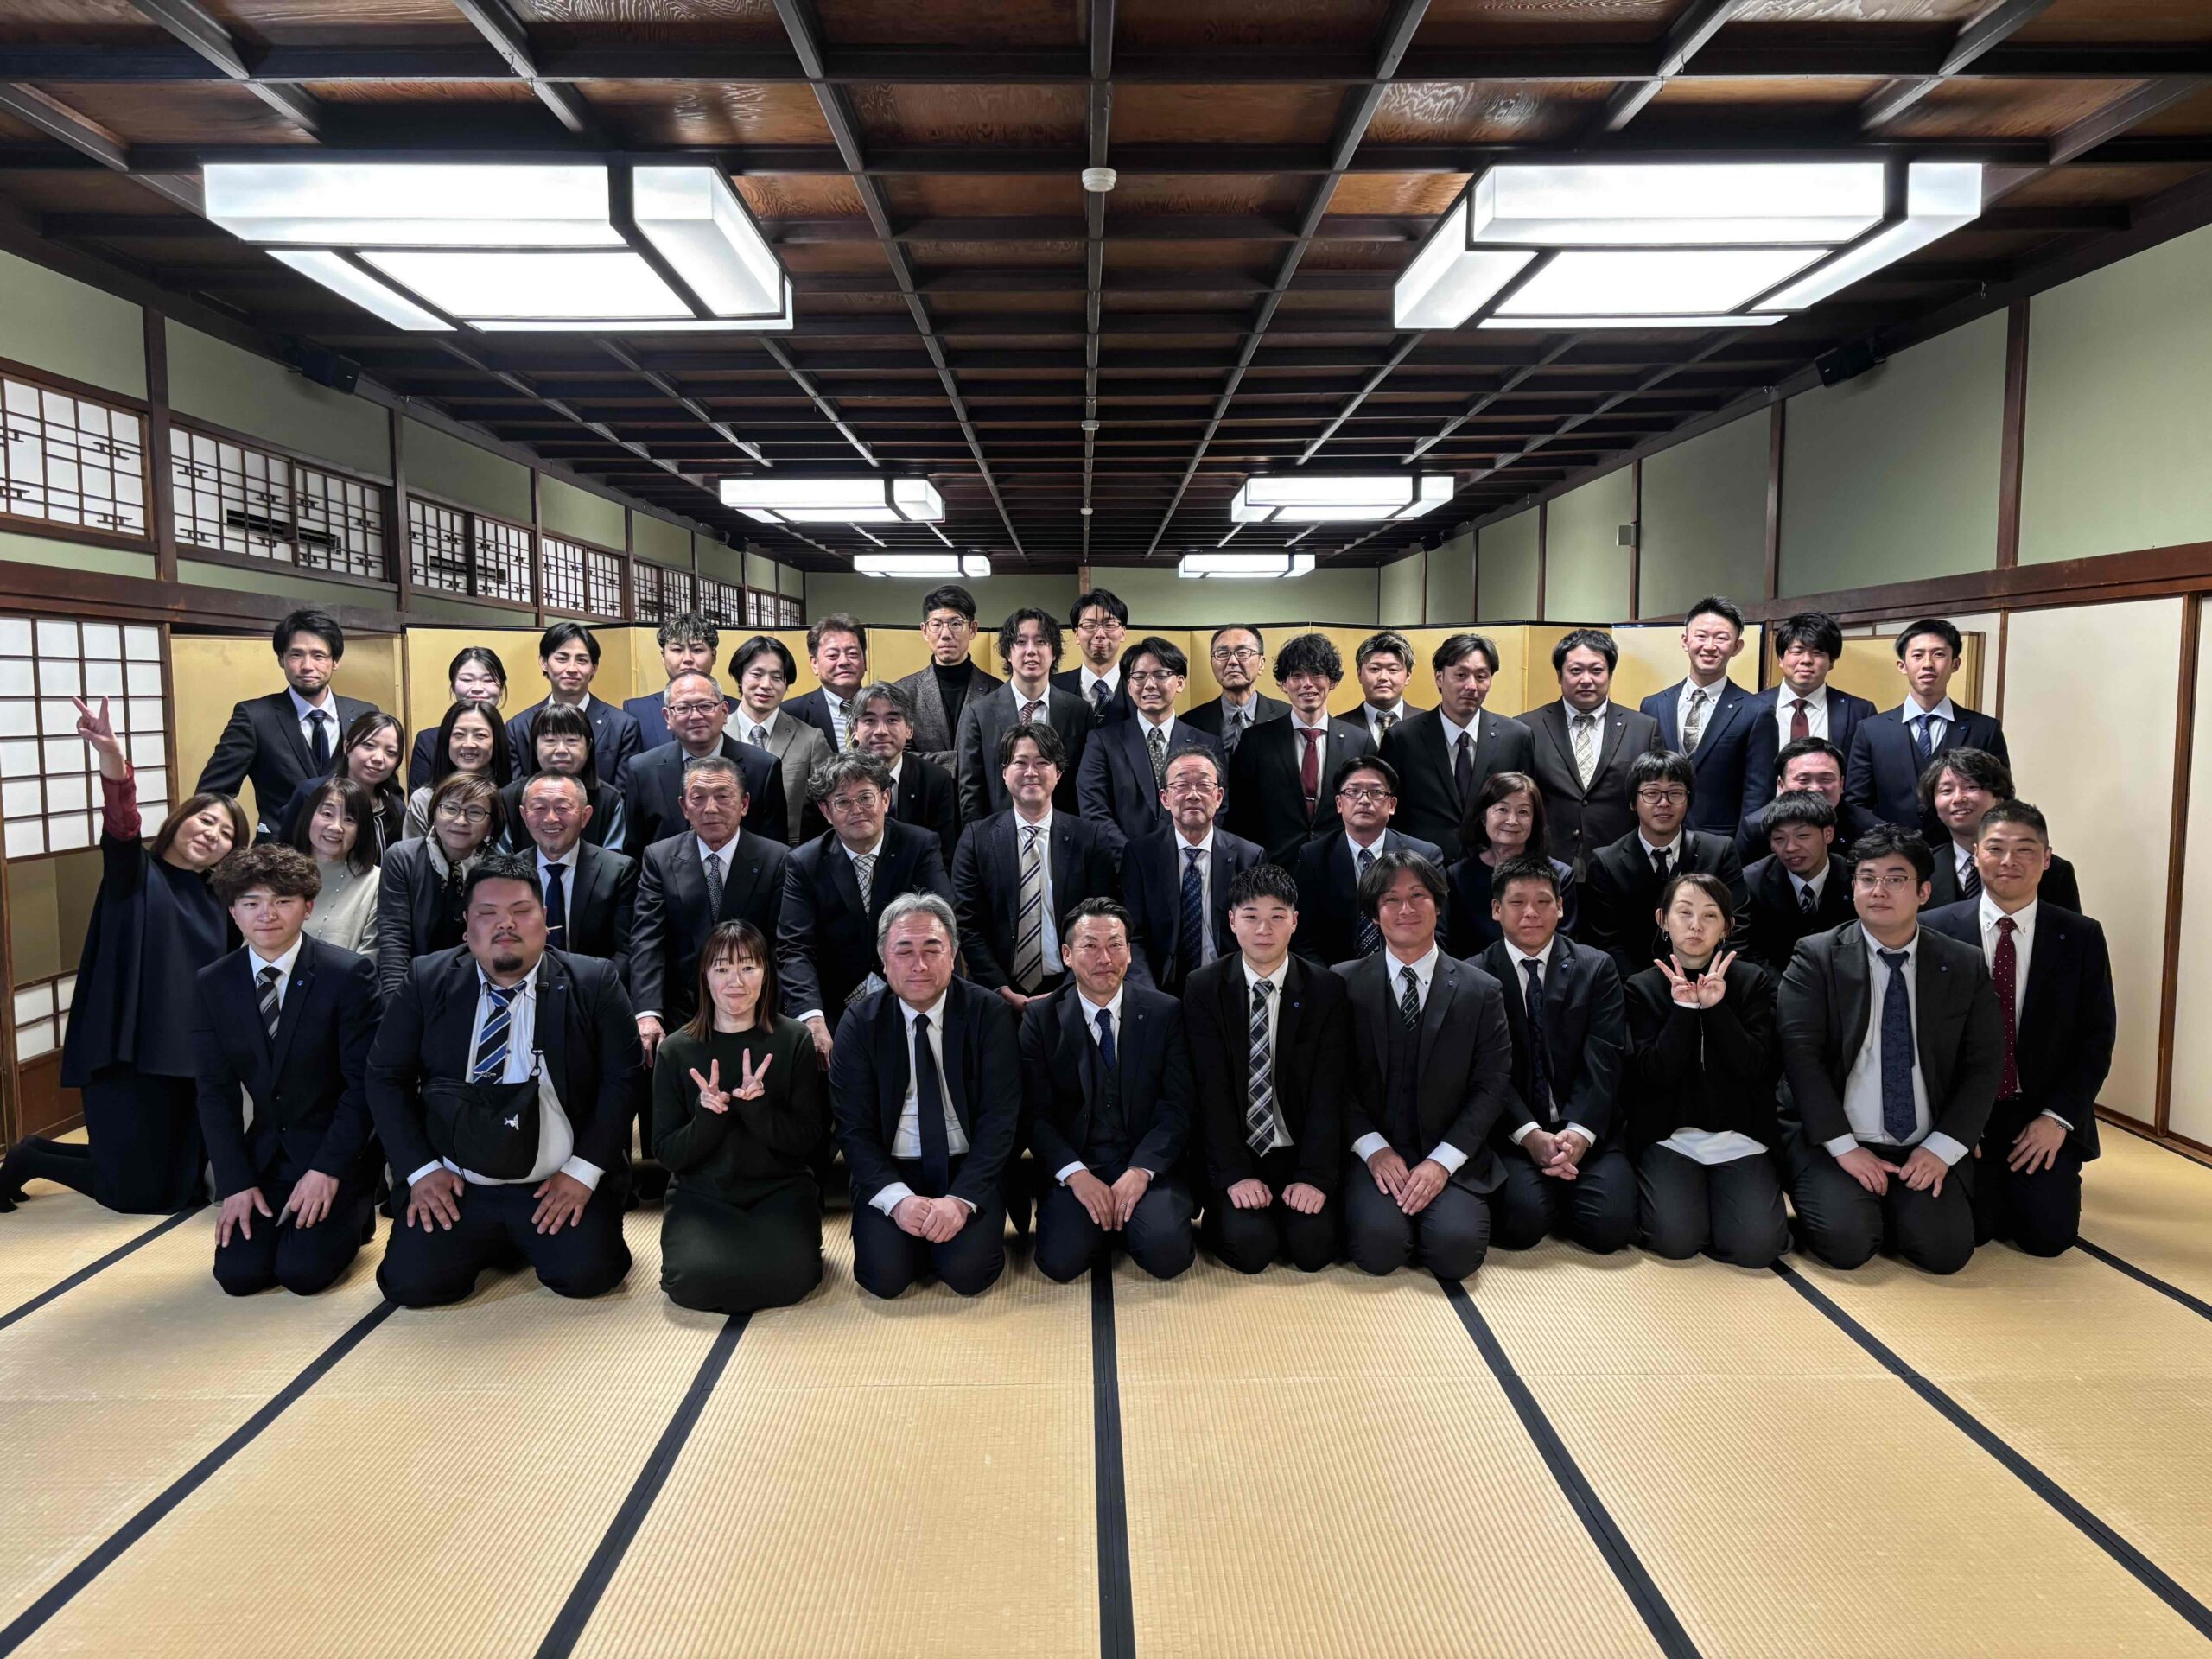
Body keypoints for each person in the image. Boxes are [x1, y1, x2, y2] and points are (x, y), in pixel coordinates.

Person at [1, 696, 247, 1215]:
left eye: (227, 834)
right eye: (205, 821)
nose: (212, 835)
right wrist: (113, 757)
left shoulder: (219, 900)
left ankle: (37, 1152)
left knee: (178, 1187)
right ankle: (31, 1158)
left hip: (188, 1051)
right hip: (128, 1047)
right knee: (137, 1194)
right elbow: (122, 821)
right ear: (179, 821)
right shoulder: (133, 873)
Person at [367, 854, 641, 1306]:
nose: (505, 924)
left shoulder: (594, 981)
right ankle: (494, 1238)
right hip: (456, 1180)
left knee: (589, 1275)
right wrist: (422, 1171)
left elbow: (624, 1079)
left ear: (545, 919)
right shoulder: (426, 980)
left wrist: (583, 1172)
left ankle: (519, 1237)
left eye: (520, 910)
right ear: (466, 926)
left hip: (555, 1178)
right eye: (488, 913)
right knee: (411, 1286)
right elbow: (384, 1077)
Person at [1777, 824, 2005, 1275]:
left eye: (1895, 879)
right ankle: (1859, 1203)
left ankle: (1897, 1208)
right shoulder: (1817, 956)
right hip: (1837, 1138)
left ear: (1923, 891)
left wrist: (1943, 1147)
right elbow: (1800, 1059)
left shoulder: (1962, 963)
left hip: (1923, 1139)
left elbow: (1984, 1064)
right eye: (1867, 878)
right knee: (1848, 1246)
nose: (1878, 890)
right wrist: (1845, 1148)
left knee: (1945, 1254)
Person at [1923, 800, 2113, 1257]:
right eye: (1995, 848)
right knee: (1972, 1232)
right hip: (1962, 1109)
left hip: (2039, 1110)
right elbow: (1922, 1038)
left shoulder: (2081, 935)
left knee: (2048, 1239)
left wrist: (2057, 1119)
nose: (2009, 860)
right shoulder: (1935, 929)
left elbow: (2096, 1037)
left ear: (2047, 859)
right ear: (1976, 854)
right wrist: (1951, 1125)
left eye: (2025, 849)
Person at [191, 845, 382, 1295]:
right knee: (239, 1276)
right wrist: (235, 1183)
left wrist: (327, 1170)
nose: (267, 915)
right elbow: (215, 1092)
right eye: (251, 903)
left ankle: (357, 1214)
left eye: (283, 901)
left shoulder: (347, 974)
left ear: (307, 907)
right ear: (233, 911)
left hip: (335, 1151)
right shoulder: (214, 982)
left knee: (302, 1274)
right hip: (267, 1152)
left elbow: (363, 1085)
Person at [831, 893, 1021, 1299]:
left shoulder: (988, 1013)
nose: (919, 964)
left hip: (966, 1166)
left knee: (970, 1274)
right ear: (884, 961)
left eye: (932, 950)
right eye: (904, 951)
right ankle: (913, 1240)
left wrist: (961, 1200)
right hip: (893, 1167)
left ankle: (943, 1238)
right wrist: (898, 1200)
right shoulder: (860, 1023)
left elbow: (1000, 1120)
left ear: (953, 956)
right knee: (884, 1278)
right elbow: (853, 1128)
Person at [1336, 851, 1513, 1280]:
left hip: (1449, 1151)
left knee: (1455, 1253)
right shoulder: (1342, 983)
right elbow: (1332, 1082)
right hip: (1374, 1151)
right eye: (1391, 899)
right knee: (1379, 1250)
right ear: (1374, 914)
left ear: (1438, 904)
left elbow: (1492, 1086)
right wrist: (1374, 1150)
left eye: (1418, 895)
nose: (1406, 909)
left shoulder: (1481, 989)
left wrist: (1442, 1162)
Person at [654, 920, 830, 1313]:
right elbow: (667, 1152)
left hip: (779, 1191)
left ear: (766, 974)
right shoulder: (676, 1050)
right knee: (693, 1283)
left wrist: (758, 1109)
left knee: (792, 1278)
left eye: (748, 967)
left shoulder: (794, 1039)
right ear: (705, 976)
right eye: (722, 968)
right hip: (701, 1196)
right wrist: (706, 1117)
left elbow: (807, 1141)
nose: (736, 981)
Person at [1184, 864, 1353, 1274]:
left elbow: (1329, 1094)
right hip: (1237, 1150)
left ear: (1294, 921)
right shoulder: (1204, 987)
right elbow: (1210, 1090)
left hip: (1297, 1150)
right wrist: (1234, 1174)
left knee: (1313, 1250)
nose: (1264, 929)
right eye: (1251, 917)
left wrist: (1313, 1176)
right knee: (1252, 1250)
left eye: (1277, 916)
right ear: (1232, 921)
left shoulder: (1326, 989)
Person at [1021, 899, 1197, 1284]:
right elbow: (1035, 1114)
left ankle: (1129, 1222)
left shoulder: (1165, 1012)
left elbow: (1178, 1105)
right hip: (1078, 1164)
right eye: (1090, 946)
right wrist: (1076, 1175)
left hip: (1143, 1162)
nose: (1105, 958)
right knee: (1060, 1262)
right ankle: (1104, 1224)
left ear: (1129, 952)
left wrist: (1141, 1170)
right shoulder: (1040, 1018)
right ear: (1067, 955)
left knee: (1168, 1256)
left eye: (1115, 945)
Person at [1623, 872, 1789, 1268]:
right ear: (1663, 920)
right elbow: (1651, 1076)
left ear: (1727, 927)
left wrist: (1717, 1009)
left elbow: (1756, 1068)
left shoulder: (1752, 982)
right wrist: (1683, 1010)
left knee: (1757, 1249)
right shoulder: (1641, 987)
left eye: (1710, 915)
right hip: (1669, 1138)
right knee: (1675, 1240)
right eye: (1684, 912)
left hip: (1741, 1137)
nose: (1696, 925)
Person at [1479, 855, 1636, 1254]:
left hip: (1586, 1125)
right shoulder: (1475, 975)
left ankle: (1563, 1179)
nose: (1531, 912)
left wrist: (1579, 1134)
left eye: (1543, 901)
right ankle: (1550, 1188)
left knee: (1610, 1230)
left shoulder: (1596, 968)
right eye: (1517, 902)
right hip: (1512, 1131)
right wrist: (1530, 1135)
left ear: (1561, 907)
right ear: (1496, 909)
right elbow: (1487, 1072)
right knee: (1523, 1224)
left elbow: (1605, 1058)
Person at [781, 753, 954, 1065]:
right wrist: (812, 1017)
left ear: (885, 799)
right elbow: (795, 948)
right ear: (826, 811)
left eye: (865, 797)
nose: (857, 809)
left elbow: (942, 923)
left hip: (913, 990)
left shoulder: (919, 845)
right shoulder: (804, 863)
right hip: (836, 1006)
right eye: (842, 802)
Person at [632, 755, 791, 1069]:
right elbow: (647, 940)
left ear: (744, 804)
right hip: (682, 1011)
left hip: (753, 1007)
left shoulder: (776, 859)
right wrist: (648, 1012)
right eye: (698, 798)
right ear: (683, 807)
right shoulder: (659, 858)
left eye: (722, 797)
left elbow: (782, 944)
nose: (711, 808)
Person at [952, 723, 1120, 1008]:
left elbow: (1101, 919)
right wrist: (1001, 989)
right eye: (1020, 763)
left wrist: (1071, 986)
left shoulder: (1089, 838)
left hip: (1073, 989)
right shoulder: (977, 839)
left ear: (1059, 772)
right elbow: (967, 924)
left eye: (1042, 762)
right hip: (996, 993)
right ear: (1004, 772)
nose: (1031, 772)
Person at [196, 608, 378, 838]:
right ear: (281, 659)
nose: (307, 665)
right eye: (296, 655)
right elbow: (213, 795)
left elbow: (384, 789)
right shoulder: (254, 717)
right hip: (279, 850)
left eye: (318, 655)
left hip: (346, 846)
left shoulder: (364, 714)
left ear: (335, 661)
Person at [1580, 750, 1748, 981]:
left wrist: (1711, 979)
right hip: (1635, 985)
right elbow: (1607, 942)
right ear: (1632, 802)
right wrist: (1646, 989)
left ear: (1688, 799)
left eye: (1675, 793)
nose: (1664, 803)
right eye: (1651, 793)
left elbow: (1738, 924)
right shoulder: (1606, 862)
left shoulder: (1720, 852)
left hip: (1711, 980)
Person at [1846, 616, 2008, 841]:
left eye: (1939, 654)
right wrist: (1893, 841)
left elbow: (2001, 797)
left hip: (1961, 849)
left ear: (1955, 664)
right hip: (1892, 850)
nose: (1928, 664)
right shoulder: (1871, 730)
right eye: (1918, 655)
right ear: (1902, 666)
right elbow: (1857, 803)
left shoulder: (1985, 729)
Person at [1378, 632, 1535, 861]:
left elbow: (1528, 808)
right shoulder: (1402, 738)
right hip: (1422, 866)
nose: (1471, 686)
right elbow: (1390, 814)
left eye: (1481, 676)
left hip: (1494, 865)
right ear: (1439, 678)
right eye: (1461, 675)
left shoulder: (1516, 737)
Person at [1224, 632, 1375, 867]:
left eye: (1317, 674)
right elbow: (1240, 817)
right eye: (1297, 676)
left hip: (1339, 866)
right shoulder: (1255, 741)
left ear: (1332, 681)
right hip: (1273, 869)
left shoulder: (1360, 741)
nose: (1307, 684)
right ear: (1283, 684)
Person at [1522, 628, 1665, 874]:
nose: (1586, 679)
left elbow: (1654, 798)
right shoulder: (1527, 728)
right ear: (1559, 675)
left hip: (1621, 865)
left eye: (1596, 670)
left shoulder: (1643, 728)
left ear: (1610, 675)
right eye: (1576, 670)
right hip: (1547, 864)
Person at [1121, 748, 1262, 996]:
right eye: (1182, 785)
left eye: (1204, 786)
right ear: (1165, 798)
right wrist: (1149, 996)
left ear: (1219, 797)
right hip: (1162, 988)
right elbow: (1134, 936)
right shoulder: (1140, 855)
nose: (1193, 795)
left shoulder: (1249, 857)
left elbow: (1256, 933)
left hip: (1230, 986)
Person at [1290, 756, 1442, 967]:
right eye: (1353, 792)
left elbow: (1439, 931)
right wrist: (1328, 980)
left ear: (1392, 805)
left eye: (1376, 792)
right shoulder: (1314, 856)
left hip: (1407, 971)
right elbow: (1303, 939)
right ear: (1339, 804)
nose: (1364, 800)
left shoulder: (1425, 855)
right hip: (1334, 976)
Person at [1075, 635, 1220, 853]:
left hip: (1190, 860)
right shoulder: (1102, 742)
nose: (1150, 685)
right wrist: (1133, 857)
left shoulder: (1208, 744)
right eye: (1139, 676)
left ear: (1180, 682)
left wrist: (1185, 852)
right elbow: (1093, 810)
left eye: (1161, 675)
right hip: (1122, 864)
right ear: (1129, 685)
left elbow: (1218, 806)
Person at [613, 671, 785, 853]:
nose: (695, 716)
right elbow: (635, 848)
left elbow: (774, 852)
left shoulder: (763, 768)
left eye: (705, 706)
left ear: (725, 711)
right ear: (667, 717)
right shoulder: (642, 770)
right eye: (683, 708)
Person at [375, 772, 504, 1003]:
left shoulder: (500, 869)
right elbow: (394, 939)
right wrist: (397, 1005)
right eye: (450, 809)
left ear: (491, 825)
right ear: (434, 813)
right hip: (413, 987)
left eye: (475, 812)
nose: (461, 820)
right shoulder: (403, 858)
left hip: (480, 992)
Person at [954, 607, 1093, 822]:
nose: (1031, 650)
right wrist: (981, 837)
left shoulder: (1079, 711)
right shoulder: (979, 713)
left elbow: (1087, 786)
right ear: (1008, 653)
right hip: (998, 833)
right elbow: (971, 791)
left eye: (1041, 641)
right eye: (1020, 642)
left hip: (1064, 832)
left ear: (1054, 652)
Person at [1740, 611, 1875, 830]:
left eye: (1817, 653)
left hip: (1835, 827)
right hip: (1766, 826)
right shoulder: (1750, 708)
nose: (1806, 660)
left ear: (1831, 661)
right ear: (1781, 659)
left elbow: (1860, 783)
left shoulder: (1859, 711)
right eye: (1797, 651)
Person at [1638, 596, 1758, 836]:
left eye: (1721, 638)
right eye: (1701, 636)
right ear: (1685, 641)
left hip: (1721, 840)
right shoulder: (1653, 705)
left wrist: (1739, 849)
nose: (1710, 646)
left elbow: (1757, 793)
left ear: (1737, 647)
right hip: (1659, 837)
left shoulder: (1756, 711)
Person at [1918, 748, 2082, 912]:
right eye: (1946, 791)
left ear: (1999, 797)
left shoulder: (2053, 871)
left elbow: (2068, 927)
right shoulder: (1921, 868)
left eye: (1971, 787)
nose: (1958, 798)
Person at [511, 772, 638, 982]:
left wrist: (592, 991)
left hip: (594, 987)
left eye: (562, 808)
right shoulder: (509, 873)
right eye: (539, 808)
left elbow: (625, 951)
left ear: (585, 816)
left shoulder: (617, 871)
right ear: (524, 815)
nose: (551, 818)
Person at [1444, 770, 1577, 953]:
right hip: (1473, 969)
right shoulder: (1458, 875)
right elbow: (1452, 945)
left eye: (1523, 812)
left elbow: (1565, 946)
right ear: (1483, 817)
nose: (1512, 820)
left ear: (1534, 821)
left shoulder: (1561, 874)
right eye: (1502, 810)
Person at [502, 621, 641, 788]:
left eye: (582, 660)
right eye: (562, 659)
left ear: (594, 668)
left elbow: (624, 794)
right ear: (544, 662)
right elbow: (516, 793)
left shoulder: (623, 726)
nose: (572, 668)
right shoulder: (518, 727)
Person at [728, 634, 832, 843]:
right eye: (757, 674)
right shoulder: (717, 734)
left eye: (776, 677)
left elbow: (826, 807)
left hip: (789, 852)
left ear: (786, 684)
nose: (766, 685)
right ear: (740, 677)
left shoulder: (811, 740)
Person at [893, 583, 1001, 772]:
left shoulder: (998, 692)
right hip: (924, 791)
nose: (945, 634)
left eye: (956, 624)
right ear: (924, 631)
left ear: (973, 629)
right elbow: (898, 758)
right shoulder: (902, 693)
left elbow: (1003, 756)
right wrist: (965, 761)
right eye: (936, 625)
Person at [1741, 791, 1853, 971]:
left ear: (1828, 834)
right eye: (1779, 839)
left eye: (1802, 836)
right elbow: (1749, 950)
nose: (1791, 848)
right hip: (1776, 982)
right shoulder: (1752, 882)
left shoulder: (1855, 878)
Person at [852, 679, 958, 861]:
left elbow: (944, 856)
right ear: (855, 730)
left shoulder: (935, 780)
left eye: (892, 720)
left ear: (909, 729)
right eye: (870, 720)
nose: (881, 731)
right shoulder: (837, 781)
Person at [498, 703, 626, 852]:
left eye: (571, 740)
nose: (561, 750)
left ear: (589, 745)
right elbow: (501, 859)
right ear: (534, 746)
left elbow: (614, 859)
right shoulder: (509, 797)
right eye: (550, 740)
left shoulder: (610, 800)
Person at [278, 708, 407, 852]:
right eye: (369, 746)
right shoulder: (311, 793)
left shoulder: (395, 808)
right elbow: (286, 850)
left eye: (391, 752)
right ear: (347, 747)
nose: (378, 758)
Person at [288, 775, 381, 957]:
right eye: (327, 814)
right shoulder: (278, 874)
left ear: (361, 829)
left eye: (349, 819)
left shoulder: (375, 882)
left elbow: (368, 958)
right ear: (309, 816)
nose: (336, 827)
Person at [1733, 735, 1859, 863]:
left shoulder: (1864, 826)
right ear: (1781, 785)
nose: (1815, 788)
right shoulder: (1756, 828)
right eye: (1803, 780)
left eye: (1826, 779)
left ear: (1841, 784)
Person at [404, 700, 512, 839]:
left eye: (480, 735)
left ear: (496, 741)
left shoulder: (513, 796)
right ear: (446, 740)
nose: (468, 744)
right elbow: (412, 851)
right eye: (459, 734)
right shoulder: (424, 799)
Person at [408, 645, 511, 790]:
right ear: (453, 686)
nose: (477, 688)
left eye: (488, 680)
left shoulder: (514, 737)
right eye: (467, 680)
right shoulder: (428, 741)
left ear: (501, 689)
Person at [623, 613, 729, 748]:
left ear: (713, 657)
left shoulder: (736, 710)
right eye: (677, 649)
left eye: (697, 650)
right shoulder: (637, 710)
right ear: (663, 656)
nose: (687, 659)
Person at [1181, 626, 1287, 757]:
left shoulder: (1287, 716)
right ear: (1212, 664)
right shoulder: (1188, 723)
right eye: (1223, 654)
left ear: (1261, 663)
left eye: (1243, 653)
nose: (1232, 661)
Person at [782, 613, 870, 750]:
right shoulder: (790, 714)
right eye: (833, 655)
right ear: (815, 663)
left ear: (865, 660)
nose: (844, 661)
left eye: (852, 654)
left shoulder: (888, 708)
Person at [1055, 588, 1132, 723]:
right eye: (1090, 625)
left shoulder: (1140, 686)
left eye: (1109, 625)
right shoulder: (1054, 686)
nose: (1100, 634)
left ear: (1123, 633)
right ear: (1076, 634)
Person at [1351, 631, 1425, 748]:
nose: (1383, 677)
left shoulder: (1431, 724)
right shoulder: (1339, 727)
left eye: (1393, 670)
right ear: (1359, 674)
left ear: (1408, 676)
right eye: (1375, 669)